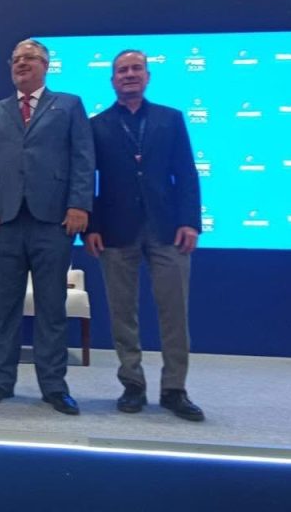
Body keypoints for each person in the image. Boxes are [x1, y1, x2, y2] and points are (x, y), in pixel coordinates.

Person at [0, 39, 94, 415]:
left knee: (52, 307)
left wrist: (79, 204)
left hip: (52, 221)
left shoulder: (69, 105)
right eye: (16, 59)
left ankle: (54, 386)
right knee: (5, 307)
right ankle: (0, 380)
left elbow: (83, 158)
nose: (22, 63)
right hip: (3, 222)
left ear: (46, 65)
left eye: (30, 58)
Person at [84, 49, 204, 421]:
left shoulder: (171, 118)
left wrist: (190, 221)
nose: (130, 74)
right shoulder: (97, 124)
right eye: (122, 70)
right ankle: (132, 384)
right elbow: (88, 180)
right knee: (123, 312)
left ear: (148, 76)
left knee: (175, 311)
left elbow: (187, 173)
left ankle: (174, 389)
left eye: (136, 68)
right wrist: (91, 226)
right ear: (112, 80)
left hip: (168, 228)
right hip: (115, 230)